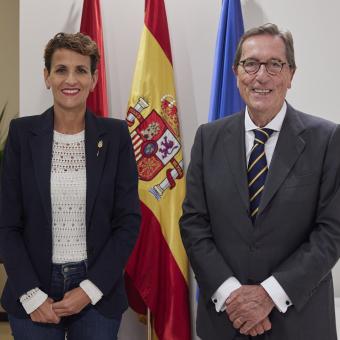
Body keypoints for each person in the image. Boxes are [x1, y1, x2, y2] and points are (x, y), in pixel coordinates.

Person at [180, 23, 340, 340]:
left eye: (274, 64)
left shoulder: (327, 139)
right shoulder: (207, 138)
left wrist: (268, 295)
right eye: (250, 64)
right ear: (236, 72)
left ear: (291, 74)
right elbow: (194, 224)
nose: (261, 76)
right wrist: (232, 295)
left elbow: (331, 232)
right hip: (227, 320)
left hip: (299, 322)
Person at [0, 32, 141, 340]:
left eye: (80, 70)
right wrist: (31, 294)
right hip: (33, 287)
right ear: (47, 76)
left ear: (94, 78)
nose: (70, 79)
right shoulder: (22, 135)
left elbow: (128, 222)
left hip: (97, 290)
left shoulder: (116, 135)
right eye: (61, 69)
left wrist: (90, 289)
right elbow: (6, 223)